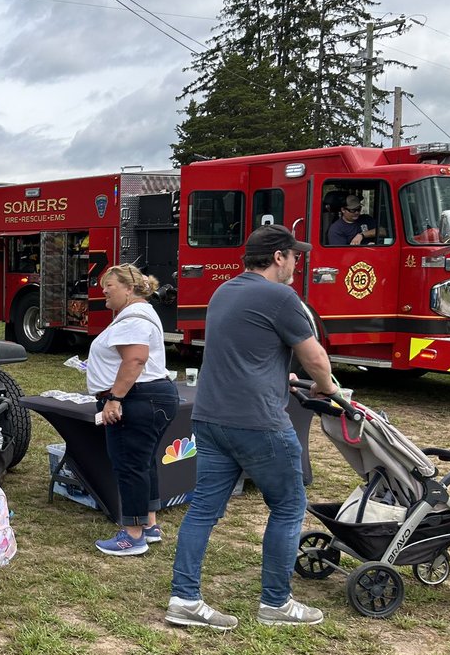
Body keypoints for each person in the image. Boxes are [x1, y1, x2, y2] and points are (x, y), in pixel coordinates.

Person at [167, 225, 338, 631]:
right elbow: (313, 355)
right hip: (258, 421)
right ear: (278, 257)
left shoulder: (223, 291)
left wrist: (283, 378)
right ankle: (276, 604)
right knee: (288, 506)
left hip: (210, 416)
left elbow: (248, 353)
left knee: (204, 509)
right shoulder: (281, 296)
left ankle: (184, 598)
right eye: (295, 255)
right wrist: (327, 386)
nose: (298, 263)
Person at [86, 265, 179, 556]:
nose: (103, 292)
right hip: (148, 397)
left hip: (137, 399)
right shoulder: (138, 314)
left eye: (109, 286)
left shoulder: (134, 318)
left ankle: (133, 535)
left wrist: (114, 398)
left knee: (129, 465)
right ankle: (149, 525)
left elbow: (136, 360)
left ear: (129, 288)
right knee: (143, 462)